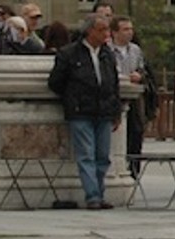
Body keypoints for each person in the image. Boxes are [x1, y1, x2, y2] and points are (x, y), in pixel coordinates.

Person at [45, 12, 122, 210]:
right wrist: (72, 98)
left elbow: (114, 84)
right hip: (81, 111)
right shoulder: (69, 53)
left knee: (103, 156)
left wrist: (116, 111)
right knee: (86, 154)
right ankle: (93, 196)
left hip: (103, 111)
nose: (106, 34)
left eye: (107, 29)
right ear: (89, 31)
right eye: (101, 30)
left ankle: (99, 192)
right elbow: (55, 82)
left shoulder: (107, 54)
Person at [109, 17, 148, 175]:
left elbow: (143, 69)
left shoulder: (135, 50)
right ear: (115, 32)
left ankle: (134, 170)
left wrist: (139, 75)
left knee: (136, 132)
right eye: (125, 29)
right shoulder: (108, 49)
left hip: (134, 96)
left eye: (131, 29)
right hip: (116, 94)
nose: (129, 33)